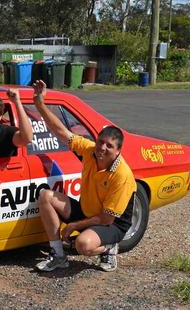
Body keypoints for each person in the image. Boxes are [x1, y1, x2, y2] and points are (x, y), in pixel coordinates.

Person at [31, 80, 136, 272]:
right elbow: (62, 132)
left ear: (119, 150)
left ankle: (110, 247)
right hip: (88, 211)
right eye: (100, 142)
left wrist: (72, 226)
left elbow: (105, 219)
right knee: (46, 196)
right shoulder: (90, 151)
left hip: (112, 224)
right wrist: (40, 104)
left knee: (83, 245)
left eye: (109, 146)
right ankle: (58, 255)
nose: (102, 148)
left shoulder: (122, 175)